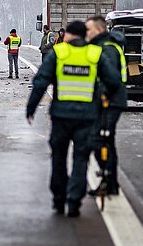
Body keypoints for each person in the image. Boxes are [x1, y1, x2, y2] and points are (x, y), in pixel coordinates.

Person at [26, 21, 121, 217]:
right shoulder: (94, 55)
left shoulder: (59, 53)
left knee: (58, 157)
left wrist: (31, 108)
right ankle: (74, 201)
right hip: (87, 118)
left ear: (69, 35)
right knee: (81, 158)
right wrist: (100, 95)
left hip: (61, 117)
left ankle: (58, 199)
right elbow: (114, 80)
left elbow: (41, 81)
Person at [85, 16, 127, 196]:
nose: (87, 33)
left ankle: (108, 179)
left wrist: (102, 93)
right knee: (105, 140)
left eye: (89, 29)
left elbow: (111, 78)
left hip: (110, 102)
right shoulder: (101, 46)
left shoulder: (107, 49)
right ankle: (110, 182)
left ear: (99, 30)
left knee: (98, 139)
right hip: (109, 101)